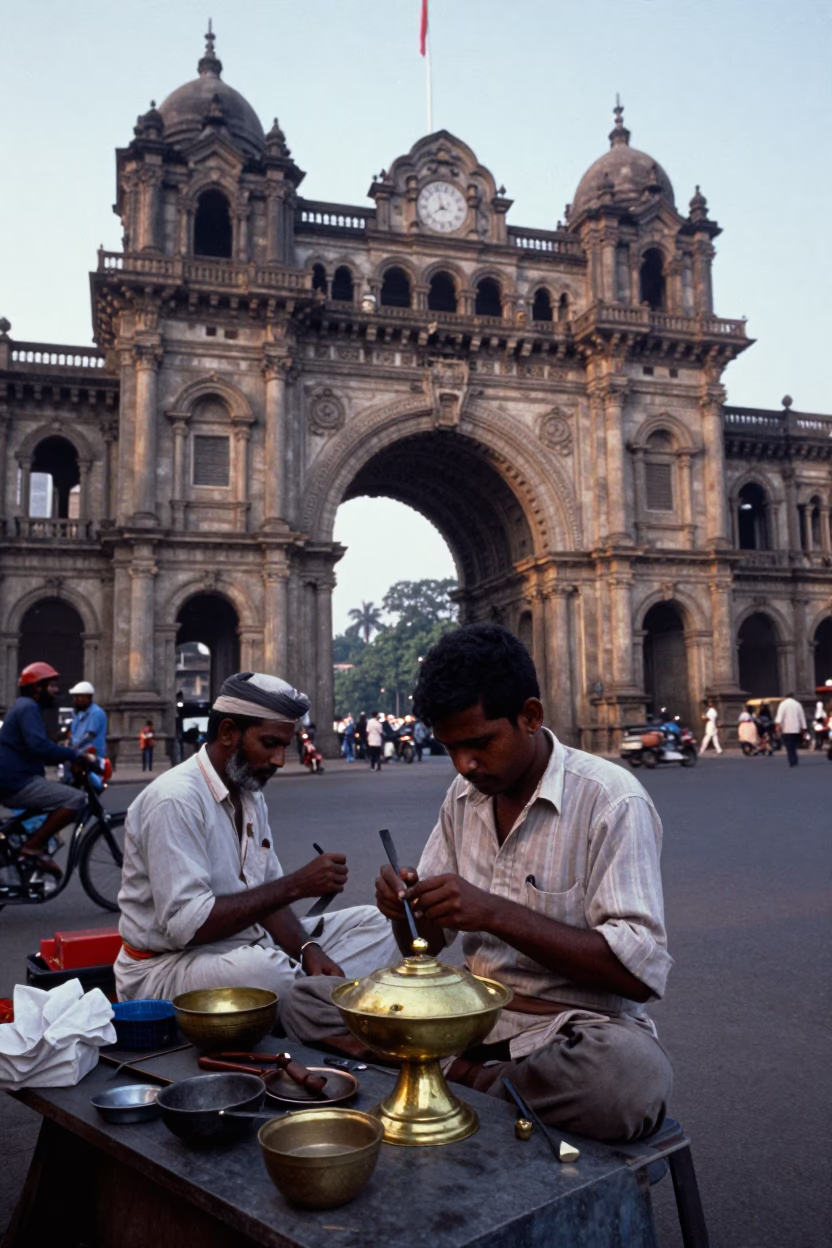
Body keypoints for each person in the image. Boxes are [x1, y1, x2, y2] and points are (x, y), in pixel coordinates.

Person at [282, 624, 673, 1143]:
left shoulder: (610, 800)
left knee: (624, 1081)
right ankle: (466, 1082)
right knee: (302, 1002)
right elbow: (426, 944)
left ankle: (447, 1078)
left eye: (480, 743)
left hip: (569, 1030)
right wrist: (407, 912)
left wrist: (495, 914)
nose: (464, 764)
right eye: (450, 748)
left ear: (530, 716)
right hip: (464, 1017)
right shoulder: (464, 797)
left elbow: (639, 976)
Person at [115, 671, 398, 1006]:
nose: (279, 760)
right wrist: (297, 885)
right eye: (269, 744)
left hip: (249, 946)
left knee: (378, 924)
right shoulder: (175, 800)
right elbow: (186, 927)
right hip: (167, 968)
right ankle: (321, 1003)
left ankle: (316, 998)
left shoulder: (249, 794)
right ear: (228, 732)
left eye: (284, 746)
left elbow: (267, 900)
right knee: (264, 975)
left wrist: (309, 949)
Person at [0, 663, 94, 875]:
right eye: (51, 685)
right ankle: (32, 847)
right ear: (37, 688)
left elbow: (36, 748)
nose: (56, 691)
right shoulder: (27, 707)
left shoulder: (24, 707)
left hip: (15, 778)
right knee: (75, 799)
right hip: (17, 782)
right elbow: (39, 746)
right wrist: (75, 755)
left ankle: (32, 845)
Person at [68, 681, 108, 759]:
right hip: (79, 754)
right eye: (75, 697)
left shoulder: (96, 713)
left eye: (78, 697)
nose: (75, 700)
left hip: (93, 757)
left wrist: (74, 747)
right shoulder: (78, 714)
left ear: (88, 698)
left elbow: (90, 735)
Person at [774, 693, 807, 767]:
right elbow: (802, 717)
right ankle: (795, 759)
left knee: (789, 747)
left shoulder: (783, 704)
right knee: (794, 746)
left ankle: (791, 761)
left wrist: (777, 728)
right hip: (796, 729)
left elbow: (779, 718)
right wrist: (804, 728)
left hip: (787, 729)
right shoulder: (798, 704)